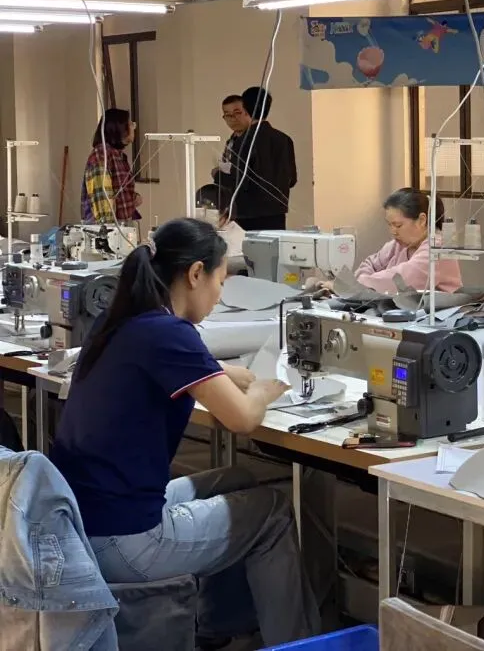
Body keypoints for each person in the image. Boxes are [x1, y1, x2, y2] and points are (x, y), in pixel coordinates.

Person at [50, 217, 319, 647]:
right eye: (220, 282)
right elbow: (242, 420)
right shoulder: (168, 333)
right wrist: (266, 390)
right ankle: (295, 644)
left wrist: (223, 371)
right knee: (272, 511)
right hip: (126, 539)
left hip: (83, 521)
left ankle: (217, 629)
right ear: (195, 274)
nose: (219, 295)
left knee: (237, 479)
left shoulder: (121, 321)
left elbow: (176, 363)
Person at [215, 87, 297, 231]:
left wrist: (218, 175)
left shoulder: (243, 141)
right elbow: (292, 180)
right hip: (277, 213)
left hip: (248, 214)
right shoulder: (284, 139)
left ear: (245, 110)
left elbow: (240, 182)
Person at [353, 188, 462, 293]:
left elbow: (398, 280)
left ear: (421, 220)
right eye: (389, 225)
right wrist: (364, 280)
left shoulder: (438, 249)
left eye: (398, 225)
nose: (393, 231)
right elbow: (369, 264)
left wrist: (362, 282)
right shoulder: (398, 245)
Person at [82, 107, 142, 223]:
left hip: (123, 225)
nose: (134, 128)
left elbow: (118, 188)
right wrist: (110, 230)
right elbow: (102, 198)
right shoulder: (101, 155)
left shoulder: (119, 156)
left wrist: (133, 197)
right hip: (110, 228)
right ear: (120, 128)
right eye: (131, 124)